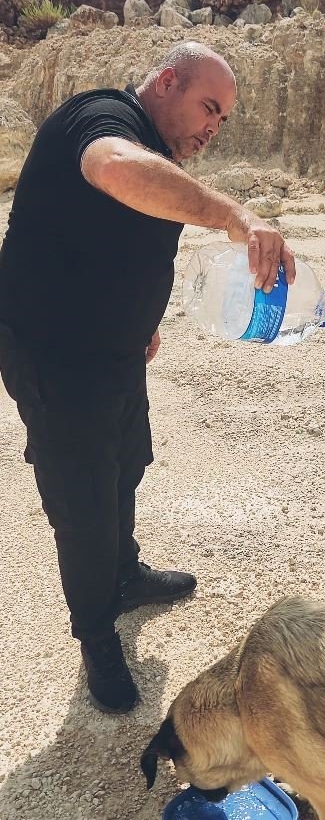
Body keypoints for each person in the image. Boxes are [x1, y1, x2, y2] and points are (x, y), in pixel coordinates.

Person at [0, 42, 295, 714]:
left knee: (125, 466)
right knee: (83, 505)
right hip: (55, 357)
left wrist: (141, 322)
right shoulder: (102, 122)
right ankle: (96, 632)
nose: (212, 129)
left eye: (222, 121)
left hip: (116, 353)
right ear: (166, 83)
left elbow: (120, 243)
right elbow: (113, 171)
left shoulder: (155, 155)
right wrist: (235, 215)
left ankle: (124, 577)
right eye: (208, 108)